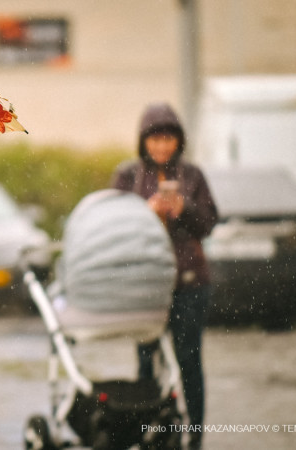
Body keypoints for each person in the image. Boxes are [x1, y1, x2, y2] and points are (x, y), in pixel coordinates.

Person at [111, 103, 218, 449]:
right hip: (145, 284)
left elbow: (209, 223)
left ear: (178, 141)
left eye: (168, 139)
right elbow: (114, 224)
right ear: (143, 142)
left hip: (189, 284)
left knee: (188, 359)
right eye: (155, 140)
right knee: (145, 360)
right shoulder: (127, 176)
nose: (161, 147)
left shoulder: (193, 176)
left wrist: (182, 208)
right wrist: (146, 211)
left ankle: (194, 435)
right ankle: (147, 430)